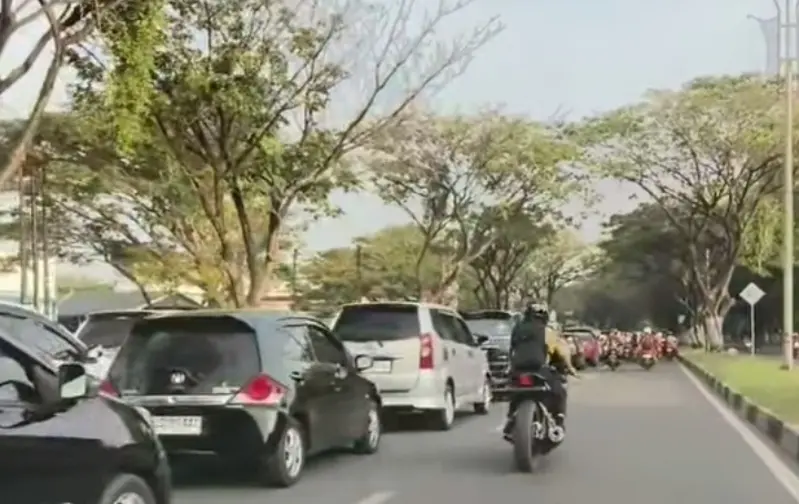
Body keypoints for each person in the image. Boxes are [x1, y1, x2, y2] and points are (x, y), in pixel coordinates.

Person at [503, 303, 575, 440]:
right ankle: (558, 424)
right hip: (539, 371)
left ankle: (510, 423)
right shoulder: (547, 332)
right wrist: (570, 368)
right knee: (559, 391)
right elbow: (563, 352)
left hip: (518, 371)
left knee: (515, 395)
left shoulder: (517, 329)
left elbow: (511, 350)